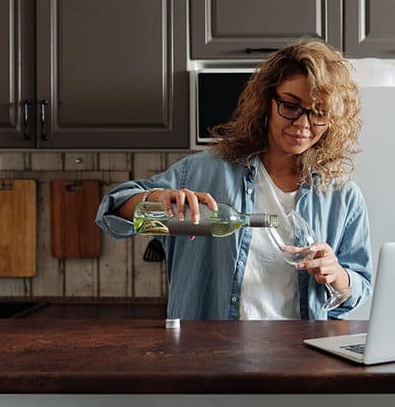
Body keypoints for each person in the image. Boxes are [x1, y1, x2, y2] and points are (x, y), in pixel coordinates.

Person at [95, 39, 372, 320]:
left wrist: (338, 276)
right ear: (267, 101)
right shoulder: (204, 171)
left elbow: (359, 289)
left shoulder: (342, 196)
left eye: (319, 113)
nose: (303, 124)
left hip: (297, 358)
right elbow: (112, 214)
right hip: (210, 356)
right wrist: (156, 200)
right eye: (290, 106)